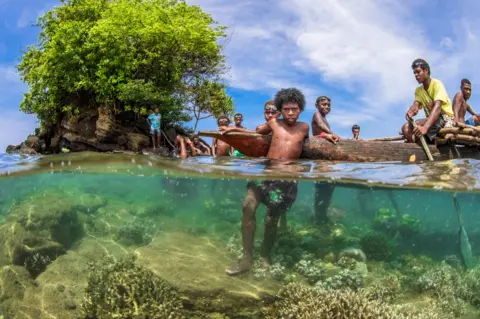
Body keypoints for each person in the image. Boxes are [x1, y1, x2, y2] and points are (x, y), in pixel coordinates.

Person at [223, 88, 309, 276]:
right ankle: (247, 258)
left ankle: (265, 255)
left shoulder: (304, 127)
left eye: (294, 109)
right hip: (265, 175)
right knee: (247, 205)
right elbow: (256, 133)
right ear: (281, 110)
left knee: (271, 220)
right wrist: (234, 130)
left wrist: (326, 136)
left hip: (285, 180)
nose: (291, 112)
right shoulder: (273, 123)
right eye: (286, 109)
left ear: (300, 109)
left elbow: (312, 146)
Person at [401, 59, 454, 143]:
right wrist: (411, 111)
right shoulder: (419, 90)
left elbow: (437, 108)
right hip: (431, 119)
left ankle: (421, 140)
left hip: (444, 118)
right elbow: (416, 105)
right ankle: (419, 140)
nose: (416, 75)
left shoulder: (437, 84)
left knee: (422, 133)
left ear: (426, 71)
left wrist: (425, 127)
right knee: (405, 127)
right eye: (414, 73)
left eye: (418, 72)